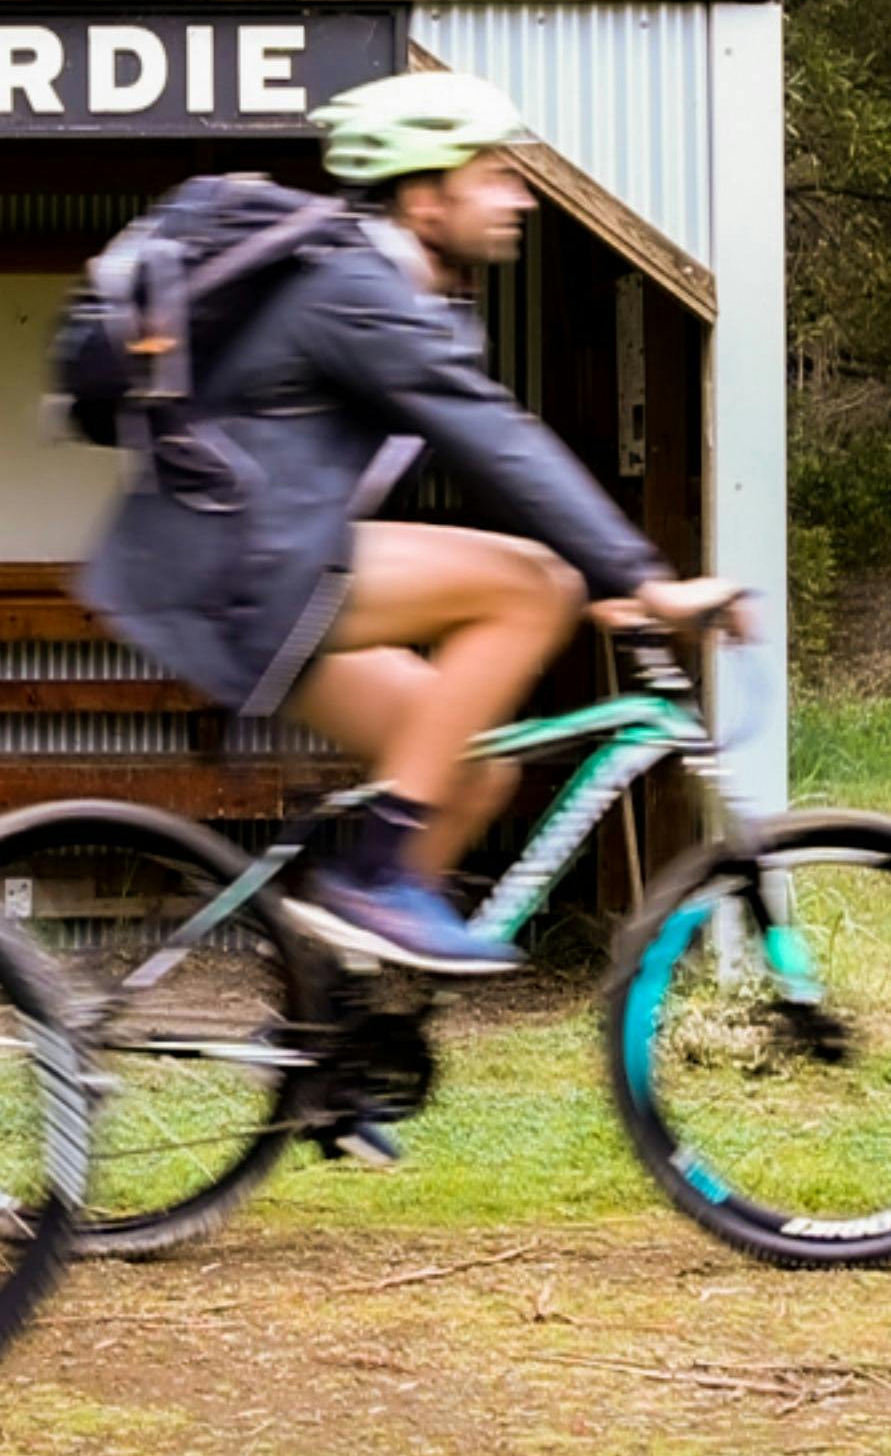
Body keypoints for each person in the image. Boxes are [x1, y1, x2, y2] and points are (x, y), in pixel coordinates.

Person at [80, 69, 746, 977]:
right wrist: (639, 577)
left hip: (236, 581)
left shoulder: (383, 288)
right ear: (427, 195)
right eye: (494, 174)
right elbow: (496, 440)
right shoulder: (359, 286)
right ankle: (375, 882)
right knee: (531, 588)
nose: (521, 197)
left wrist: (616, 581)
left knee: (468, 773)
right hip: (239, 575)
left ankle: (344, 1034)